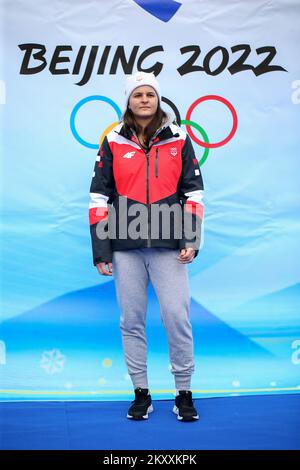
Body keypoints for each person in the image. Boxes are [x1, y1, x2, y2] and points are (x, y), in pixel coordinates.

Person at [89, 71, 204, 422]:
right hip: (126, 246)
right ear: (128, 100)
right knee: (132, 320)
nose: (143, 100)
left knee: (176, 318)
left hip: (170, 245)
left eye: (149, 94)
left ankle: (183, 393)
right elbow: (98, 196)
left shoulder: (180, 138)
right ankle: (142, 393)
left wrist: (191, 239)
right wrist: (102, 250)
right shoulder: (112, 140)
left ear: (158, 99)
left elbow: (193, 193)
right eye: (137, 94)